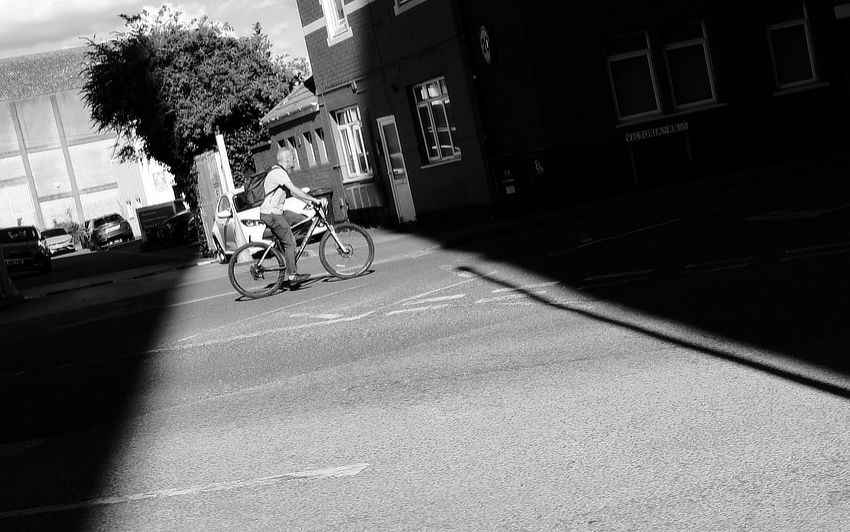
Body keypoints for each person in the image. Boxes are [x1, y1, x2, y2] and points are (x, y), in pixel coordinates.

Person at [259, 147, 325, 287]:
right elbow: (295, 189)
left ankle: (288, 250)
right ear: (287, 160)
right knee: (290, 242)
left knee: (303, 221)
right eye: (293, 159)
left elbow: (294, 194)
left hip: (278, 213)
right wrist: (314, 200)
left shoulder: (280, 172)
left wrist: (309, 203)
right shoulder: (278, 172)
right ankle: (293, 275)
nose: (294, 162)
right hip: (271, 214)